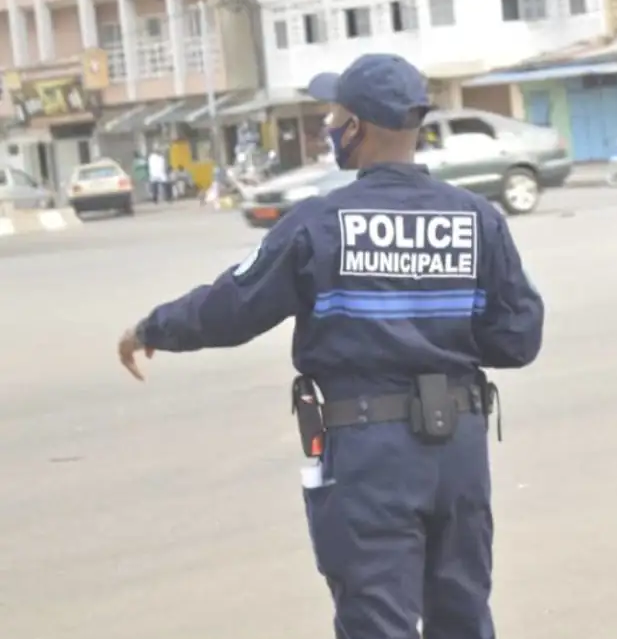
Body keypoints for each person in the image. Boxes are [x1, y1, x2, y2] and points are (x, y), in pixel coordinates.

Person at [116, 53, 545, 639]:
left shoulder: (320, 223)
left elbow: (230, 310)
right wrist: (439, 334)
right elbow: (518, 337)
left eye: (334, 114)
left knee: (377, 621)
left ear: (357, 127)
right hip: (459, 453)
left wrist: (152, 328)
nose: (328, 126)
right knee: (462, 617)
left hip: (370, 455)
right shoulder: (476, 218)